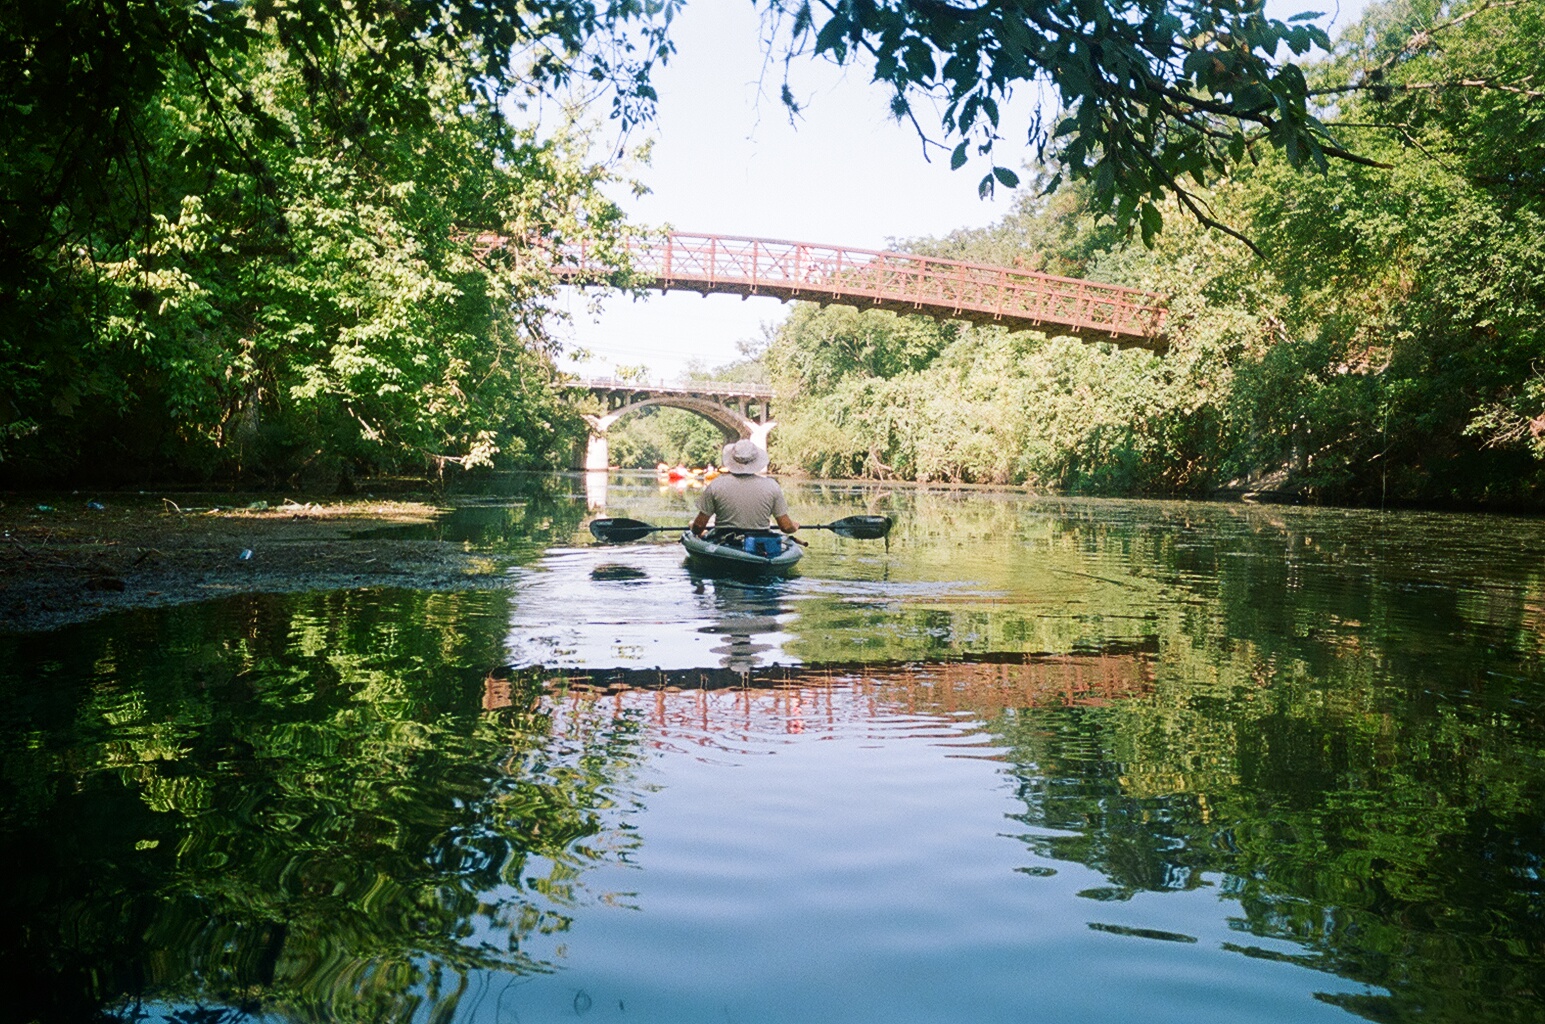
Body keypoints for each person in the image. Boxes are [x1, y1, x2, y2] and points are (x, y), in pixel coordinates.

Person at [691, 439, 798, 537]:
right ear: (756, 461)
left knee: (699, 531)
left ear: (731, 460)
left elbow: (699, 526)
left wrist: (693, 528)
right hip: (759, 543)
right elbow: (786, 527)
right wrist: (795, 526)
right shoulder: (772, 485)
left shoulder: (716, 485)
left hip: (724, 540)